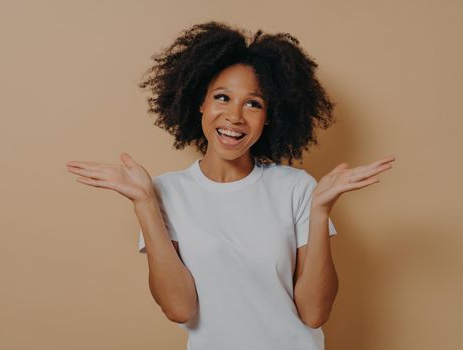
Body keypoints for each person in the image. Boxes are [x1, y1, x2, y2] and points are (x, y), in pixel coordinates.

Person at [65, 21, 395, 350]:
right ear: (201, 103)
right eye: (222, 97)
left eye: (253, 103)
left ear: (268, 117)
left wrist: (320, 211)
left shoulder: (296, 189)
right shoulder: (166, 192)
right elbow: (179, 309)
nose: (235, 116)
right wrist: (144, 203)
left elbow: (314, 314)